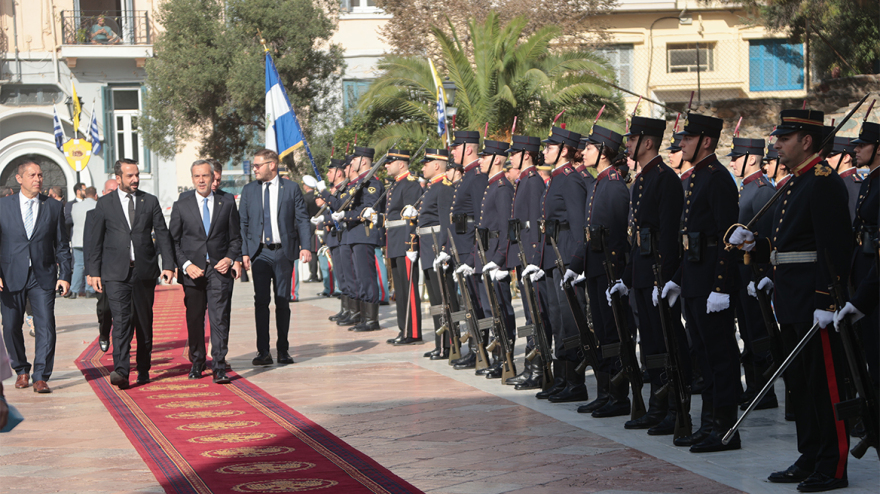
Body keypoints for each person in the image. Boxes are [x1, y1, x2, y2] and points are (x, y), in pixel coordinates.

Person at [728, 109, 851, 491]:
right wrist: (756, 245)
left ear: (807, 141)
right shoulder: (795, 183)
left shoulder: (823, 182)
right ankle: (811, 454)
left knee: (824, 384)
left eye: (784, 138)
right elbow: (787, 244)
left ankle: (833, 465)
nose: (776, 144)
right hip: (790, 298)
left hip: (814, 301)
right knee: (800, 384)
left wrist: (826, 300)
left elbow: (835, 248)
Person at [664, 113, 742, 453]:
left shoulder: (717, 178)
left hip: (712, 282)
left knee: (721, 357)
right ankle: (708, 423)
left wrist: (721, 287)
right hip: (695, 279)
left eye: (688, 137)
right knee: (704, 357)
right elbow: (688, 237)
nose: (682, 143)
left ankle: (725, 429)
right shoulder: (695, 177)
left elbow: (728, 237)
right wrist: (679, 279)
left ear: (706, 141)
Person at [617, 116, 691, 436]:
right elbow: (638, 236)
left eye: (633, 139)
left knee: (667, 341)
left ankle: (675, 407)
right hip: (645, 274)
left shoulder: (665, 179)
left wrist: (666, 279)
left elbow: (669, 234)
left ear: (648, 142)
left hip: (660, 275)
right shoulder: (643, 180)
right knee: (650, 344)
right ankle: (657, 406)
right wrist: (628, 277)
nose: (628, 144)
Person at [88, 159, 175, 389]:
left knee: (144, 323)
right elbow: (95, 239)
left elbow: (163, 235)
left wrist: (168, 264)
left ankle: (144, 368)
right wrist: (93, 271)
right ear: (118, 178)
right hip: (115, 273)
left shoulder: (150, 201)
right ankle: (121, 370)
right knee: (122, 320)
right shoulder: (105, 204)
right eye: (130, 176)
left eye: (137, 175)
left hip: (144, 272)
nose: (135, 179)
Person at [522, 126, 589, 403]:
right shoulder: (554, 179)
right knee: (558, 321)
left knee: (570, 321)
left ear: (564, 150)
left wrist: (576, 263)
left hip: (565, 256)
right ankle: (560, 378)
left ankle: (575, 382)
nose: (545, 151)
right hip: (551, 256)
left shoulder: (570, 180)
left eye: (550, 147)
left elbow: (577, 226)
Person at [0, 161, 72, 394]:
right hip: (10, 276)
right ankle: (21, 369)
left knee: (46, 326)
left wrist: (66, 275)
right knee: (10, 326)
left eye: (40, 175)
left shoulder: (52, 206)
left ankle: (41, 375)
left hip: (43, 275)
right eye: (32, 175)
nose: (38, 179)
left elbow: (62, 244)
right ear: (19, 179)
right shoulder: (3, 206)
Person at [169, 160, 242, 384]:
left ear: (213, 178)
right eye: (197, 176)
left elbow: (236, 238)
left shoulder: (227, 202)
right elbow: (173, 241)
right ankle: (197, 361)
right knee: (195, 317)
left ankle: (219, 365)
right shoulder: (182, 205)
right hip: (193, 272)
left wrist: (230, 258)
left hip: (218, 271)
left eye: (205, 176)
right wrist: (185, 265)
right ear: (192, 179)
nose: (201, 180)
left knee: (219, 317)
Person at [239, 149, 311, 366]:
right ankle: (263, 352)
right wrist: (244, 252)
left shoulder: (290, 188)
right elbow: (242, 223)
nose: (254, 169)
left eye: (258, 165)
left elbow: (302, 219)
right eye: (254, 165)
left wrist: (306, 246)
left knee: (282, 301)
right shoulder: (249, 190)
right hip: (259, 253)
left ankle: (283, 350)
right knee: (261, 301)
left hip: (283, 252)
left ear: (272, 165)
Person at [581, 125, 632, 417]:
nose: (584, 152)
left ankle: (618, 394)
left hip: (608, 271)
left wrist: (616, 275)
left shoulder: (613, 185)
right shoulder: (598, 182)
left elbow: (616, 234)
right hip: (595, 268)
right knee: (600, 331)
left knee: (613, 333)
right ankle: (604, 391)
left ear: (603, 152)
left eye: (589, 148)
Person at [728, 138, 778, 411]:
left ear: (752, 158)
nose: (732, 162)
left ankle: (764, 390)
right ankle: (755, 387)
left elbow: (770, 238)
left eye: (736, 157)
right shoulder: (746, 188)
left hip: (755, 273)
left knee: (758, 333)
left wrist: (764, 274)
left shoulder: (761, 190)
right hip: (742, 272)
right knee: (747, 332)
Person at [504, 135, 552, 390]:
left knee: (537, 315)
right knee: (531, 315)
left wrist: (534, 259)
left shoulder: (532, 183)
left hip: (531, 260)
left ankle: (539, 368)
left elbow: (535, 223)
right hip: (523, 258)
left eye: (515, 153)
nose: (510, 157)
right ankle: (530, 367)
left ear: (527, 155)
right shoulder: (524, 181)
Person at [467, 140, 516, 378]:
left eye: (485, 157)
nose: (481, 161)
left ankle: (505, 357)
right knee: (490, 310)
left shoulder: (503, 188)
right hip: (485, 254)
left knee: (501, 310)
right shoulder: (492, 186)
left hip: (495, 256)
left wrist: (500, 259)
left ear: (497, 158)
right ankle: (498, 356)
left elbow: (507, 228)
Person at [364, 149, 422, 341]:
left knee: (409, 289)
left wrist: (410, 244)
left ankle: (413, 332)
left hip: (405, 243)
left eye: (390, 162)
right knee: (400, 290)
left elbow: (411, 217)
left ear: (402, 163)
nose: (386, 165)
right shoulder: (395, 185)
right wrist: (376, 218)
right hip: (394, 241)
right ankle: (403, 329)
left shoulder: (410, 184)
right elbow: (392, 217)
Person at [443, 131, 488, 370]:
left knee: (477, 304)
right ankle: (474, 348)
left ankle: (482, 350)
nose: (452, 152)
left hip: (470, 252)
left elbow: (480, 221)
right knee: (468, 303)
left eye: (455, 148)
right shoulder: (468, 177)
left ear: (468, 149)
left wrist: (472, 255)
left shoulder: (477, 177)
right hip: (461, 251)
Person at [330, 147, 385, 332]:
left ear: (363, 161)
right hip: (354, 234)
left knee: (366, 277)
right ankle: (363, 316)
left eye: (354, 159)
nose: (350, 163)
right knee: (360, 278)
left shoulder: (371, 183)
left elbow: (367, 209)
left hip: (364, 233)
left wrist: (346, 215)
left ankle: (371, 319)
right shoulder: (357, 184)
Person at [416, 149, 456, 359]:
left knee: (444, 299)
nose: (423, 167)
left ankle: (450, 344)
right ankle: (440, 343)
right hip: (426, 247)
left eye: (426, 163)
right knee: (434, 300)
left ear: (437, 165)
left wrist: (443, 249)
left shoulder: (444, 188)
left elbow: (445, 222)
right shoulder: (432, 188)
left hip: (436, 248)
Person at [84, 179, 118, 352]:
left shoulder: (125, 212)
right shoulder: (92, 214)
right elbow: (89, 244)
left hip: (121, 268)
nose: (112, 194)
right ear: (102, 194)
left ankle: (121, 343)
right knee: (104, 308)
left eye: (115, 190)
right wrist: (90, 271)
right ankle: (104, 333)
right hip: (102, 269)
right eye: (109, 191)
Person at [70, 186, 98, 299]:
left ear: (85, 194)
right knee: (90, 264)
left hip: (77, 238)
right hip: (91, 239)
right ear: (95, 195)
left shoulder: (75, 206)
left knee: (78, 265)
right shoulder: (96, 205)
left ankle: (74, 289)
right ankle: (89, 289)